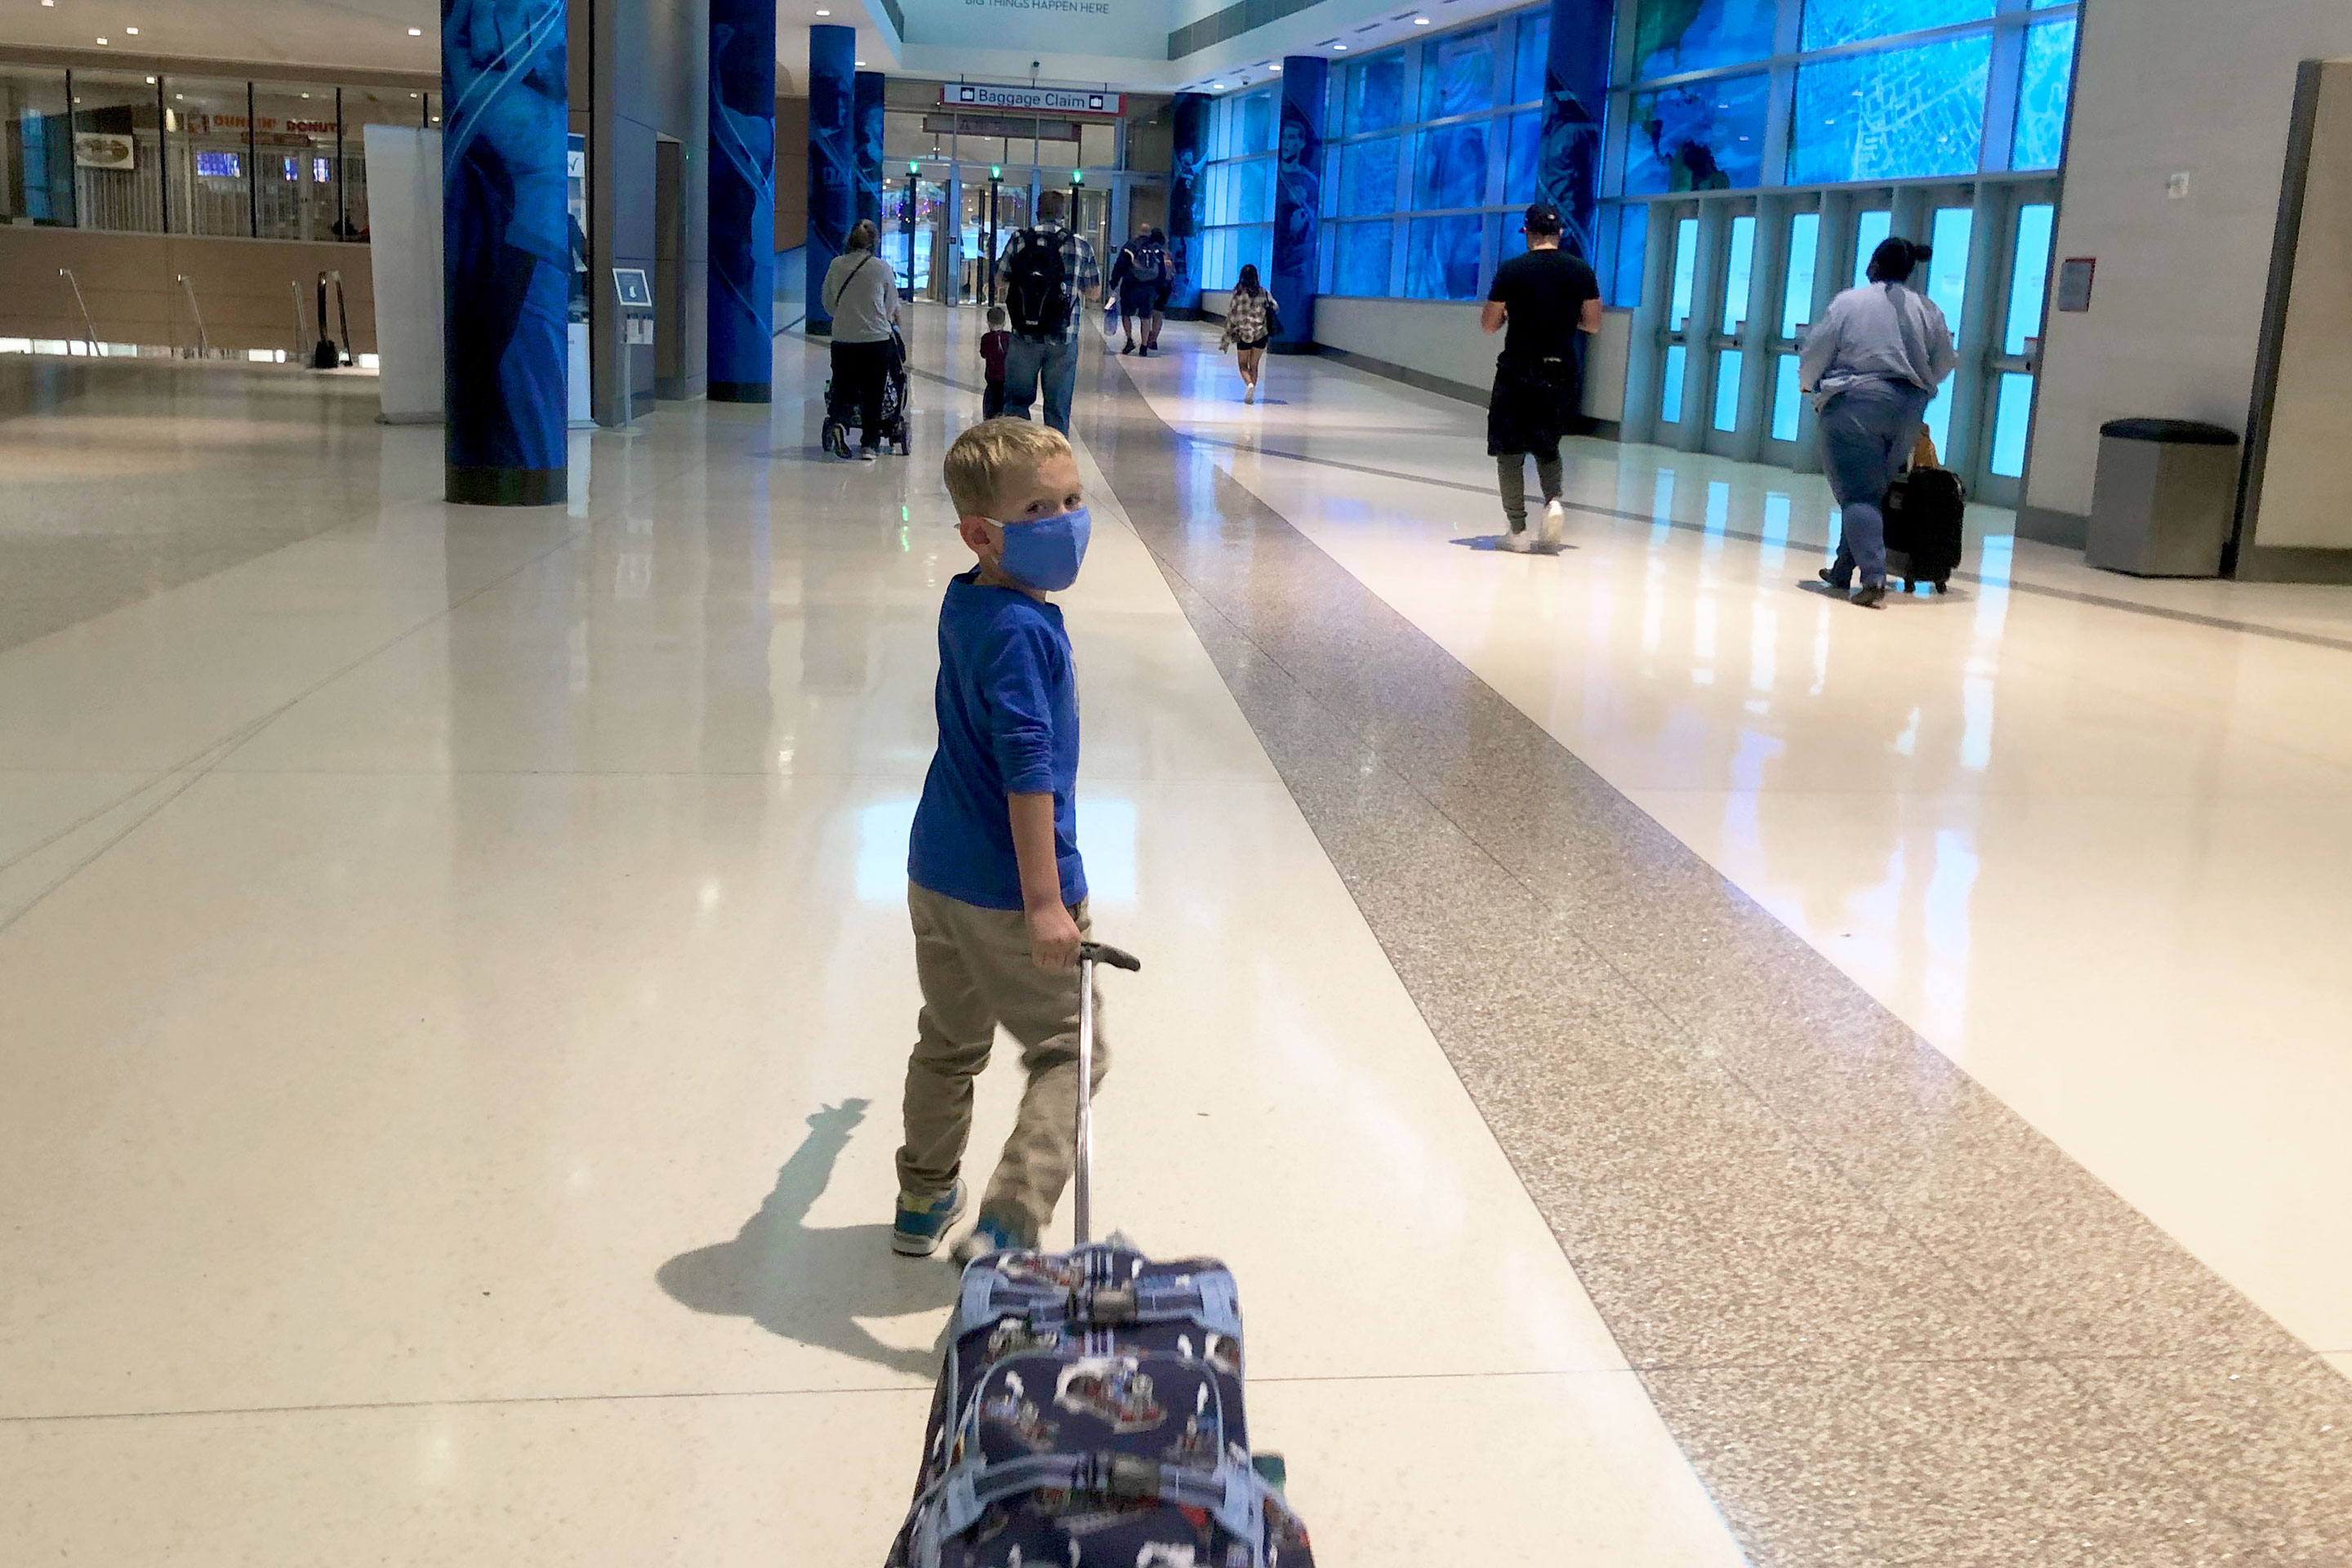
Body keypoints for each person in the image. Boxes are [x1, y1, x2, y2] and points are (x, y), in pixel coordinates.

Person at [892, 417, 1105, 1264]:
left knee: (949, 1039)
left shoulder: (969, 597)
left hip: (936, 873)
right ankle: (1009, 1221)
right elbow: (1029, 770)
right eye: (1040, 508)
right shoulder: (1023, 630)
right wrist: (1048, 902)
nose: (1066, 520)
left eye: (1073, 500)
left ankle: (921, 1193)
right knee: (1072, 1051)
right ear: (982, 532)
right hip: (1010, 890)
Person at [1799, 235, 1958, 608]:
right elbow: (1946, 360)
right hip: (1907, 409)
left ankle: (1873, 579)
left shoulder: (1850, 302)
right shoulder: (1927, 308)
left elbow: (1817, 351)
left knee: (1857, 494)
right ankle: (1842, 570)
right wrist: (1922, 387)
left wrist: (1809, 386)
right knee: (1871, 492)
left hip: (1856, 404)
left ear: (1873, 265)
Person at [1480, 203, 1601, 551]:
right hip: (1561, 368)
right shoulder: (1581, 271)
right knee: (1548, 442)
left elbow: (1489, 325)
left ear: (1528, 233)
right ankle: (1554, 502)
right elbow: (1592, 323)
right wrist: (1564, 321)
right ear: (1560, 233)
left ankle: (1517, 531)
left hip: (1518, 367)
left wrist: (1510, 318)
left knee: (1509, 447)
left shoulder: (1512, 270)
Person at [994, 189, 1100, 435]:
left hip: (1024, 334)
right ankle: (1053, 462)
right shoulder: (1080, 244)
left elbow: (1000, 280)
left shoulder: (1020, 239)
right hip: (1063, 336)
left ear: (1037, 212)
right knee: (1057, 409)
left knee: (1016, 404)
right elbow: (1094, 291)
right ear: (1063, 214)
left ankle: (1018, 457)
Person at [821, 218, 901, 461]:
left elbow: (827, 303)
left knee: (842, 386)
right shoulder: (881, 268)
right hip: (876, 340)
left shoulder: (836, 265)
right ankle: (869, 445)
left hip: (843, 339)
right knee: (873, 393)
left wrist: (846, 317)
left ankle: (838, 424)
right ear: (874, 242)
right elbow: (891, 305)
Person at [1217, 264, 1276, 405]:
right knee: (1254, 365)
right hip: (1261, 334)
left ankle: (1249, 384)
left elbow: (1231, 316)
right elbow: (1275, 306)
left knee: (1243, 366)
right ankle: (1251, 393)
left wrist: (1225, 339)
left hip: (1243, 334)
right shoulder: (1264, 292)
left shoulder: (1238, 293)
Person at [1107, 227, 1169, 356]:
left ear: (1138, 233)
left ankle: (1129, 340)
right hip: (1149, 288)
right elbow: (1161, 271)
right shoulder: (1156, 248)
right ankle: (1144, 346)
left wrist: (1114, 281)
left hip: (1130, 285)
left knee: (1126, 314)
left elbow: (1120, 265)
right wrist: (1160, 288)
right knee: (1145, 317)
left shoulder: (1130, 246)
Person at [979, 305, 1012, 420]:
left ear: (988, 322)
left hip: (992, 379)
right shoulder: (1009, 337)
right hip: (1007, 379)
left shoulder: (986, 338)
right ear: (1004, 323)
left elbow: (983, 354)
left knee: (990, 406)